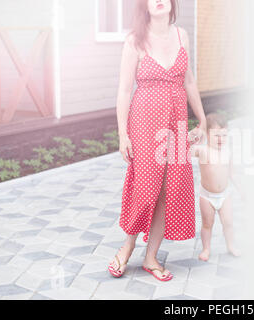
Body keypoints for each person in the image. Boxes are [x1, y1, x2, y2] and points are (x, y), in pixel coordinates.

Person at [109, 0, 206, 280]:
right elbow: (125, 90)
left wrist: (202, 119)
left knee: (168, 190)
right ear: (144, 6)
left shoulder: (181, 35)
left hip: (175, 122)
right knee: (145, 186)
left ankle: (151, 257)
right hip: (144, 123)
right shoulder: (135, 41)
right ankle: (126, 248)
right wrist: (123, 134)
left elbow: (188, 82)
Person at [189, 112, 242, 261]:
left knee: (228, 222)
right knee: (207, 224)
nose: (221, 139)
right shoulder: (203, 150)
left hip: (225, 195)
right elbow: (186, 151)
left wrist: (241, 190)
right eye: (216, 135)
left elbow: (233, 174)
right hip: (207, 196)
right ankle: (206, 248)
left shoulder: (227, 151)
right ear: (207, 134)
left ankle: (231, 245)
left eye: (224, 135)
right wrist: (192, 137)